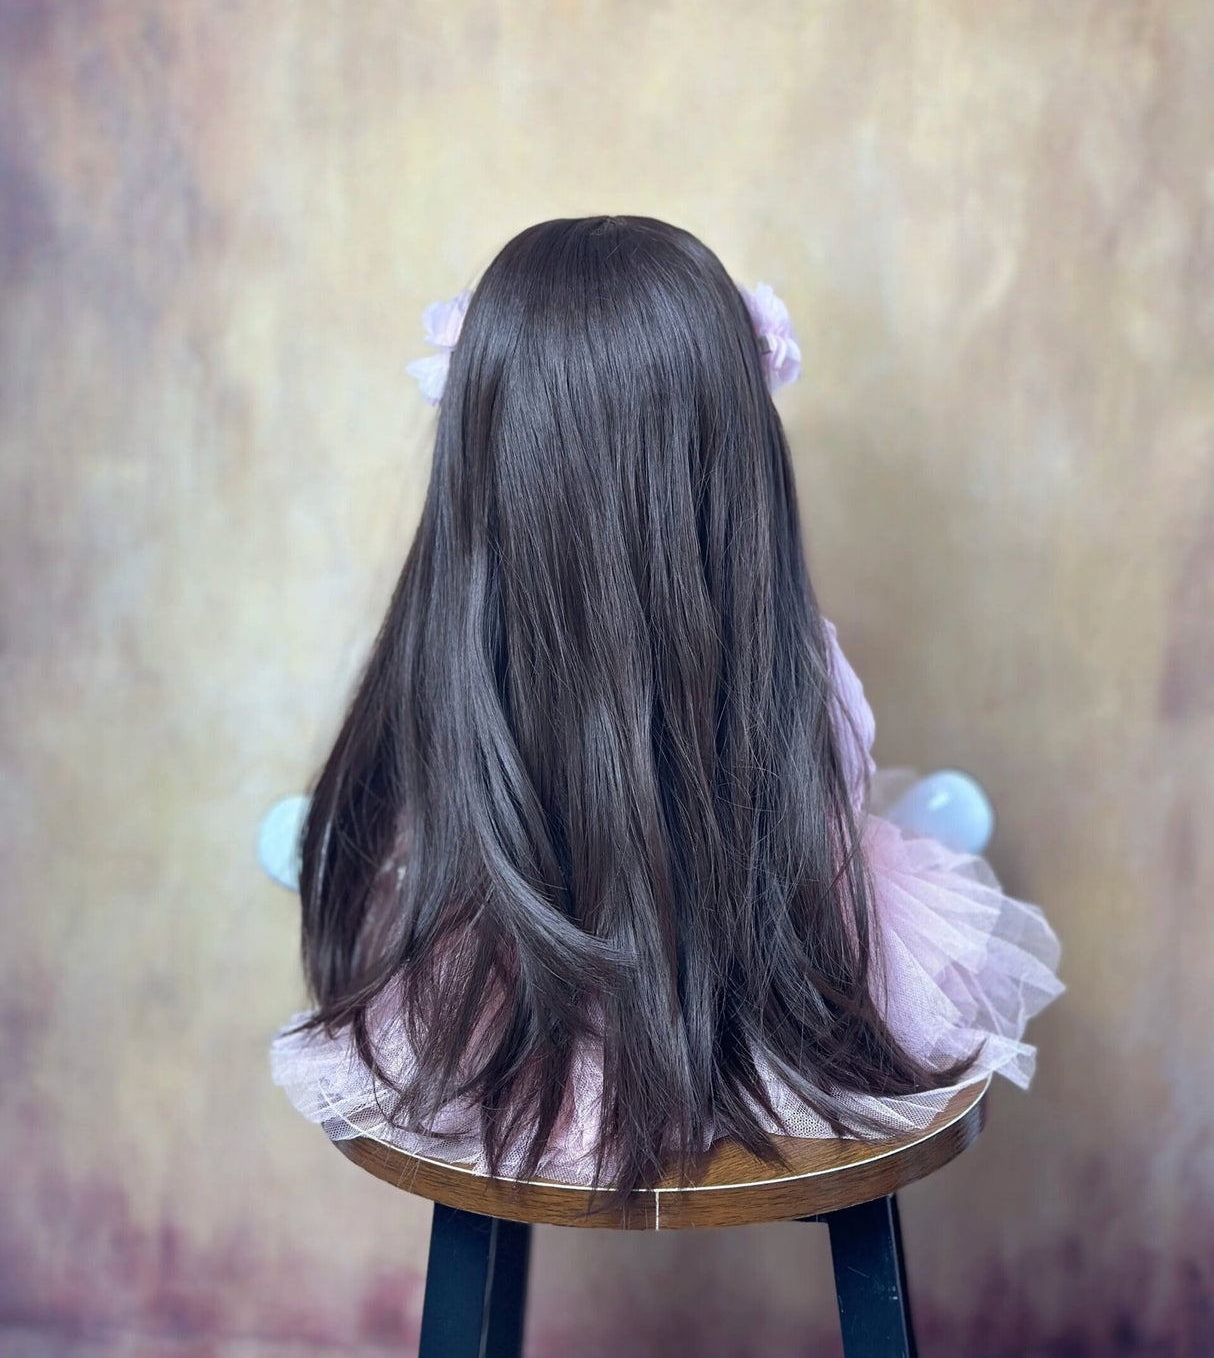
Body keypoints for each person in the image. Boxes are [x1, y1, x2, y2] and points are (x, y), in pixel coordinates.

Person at [270, 215, 1062, 1200]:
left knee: (382, 854)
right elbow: (820, 827)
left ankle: (308, 841)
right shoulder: (795, 676)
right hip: (740, 1013)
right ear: (735, 459)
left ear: (482, 462)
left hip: (513, 1019)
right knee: (859, 834)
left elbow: (428, 813)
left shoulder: (448, 660)